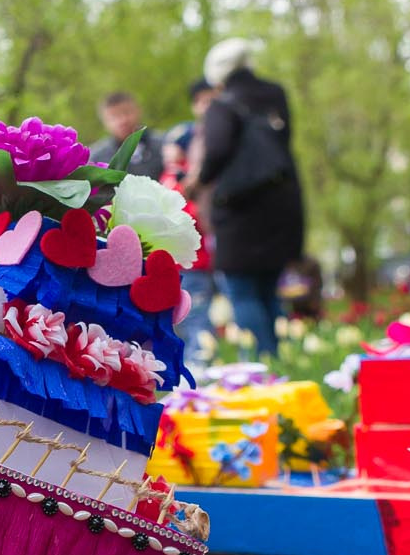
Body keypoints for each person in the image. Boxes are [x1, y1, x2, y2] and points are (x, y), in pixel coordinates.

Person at [187, 38, 305, 358]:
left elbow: (219, 151)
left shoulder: (221, 105)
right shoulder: (275, 95)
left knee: (242, 289)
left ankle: (259, 367)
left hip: (240, 212)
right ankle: (279, 363)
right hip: (281, 204)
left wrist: (198, 181)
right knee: (269, 287)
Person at [163, 78, 218, 350]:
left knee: (198, 316)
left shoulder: (191, 178)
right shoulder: (170, 177)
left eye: (175, 146)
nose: (170, 152)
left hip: (194, 262)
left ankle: (202, 363)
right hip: (173, 263)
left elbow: (192, 214)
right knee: (182, 319)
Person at [88, 91, 163, 177]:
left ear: (138, 111)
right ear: (105, 123)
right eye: (114, 117)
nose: (122, 121)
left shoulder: (164, 144)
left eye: (126, 112)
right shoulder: (97, 159)